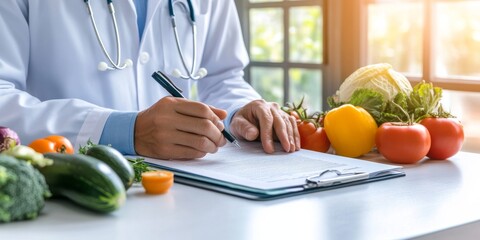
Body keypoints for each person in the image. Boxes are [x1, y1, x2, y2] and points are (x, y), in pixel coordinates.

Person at [0, 0, 300, 160]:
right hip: (67, 190)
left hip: (188, 196)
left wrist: (239, 111)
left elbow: (223, 76)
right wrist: (125, 131)